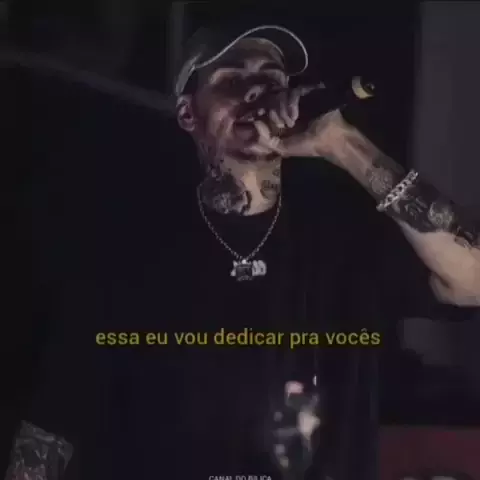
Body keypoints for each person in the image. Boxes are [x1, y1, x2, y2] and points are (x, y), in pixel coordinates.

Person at [6, 23, 480, 480]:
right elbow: (51, 428)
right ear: (188, 113)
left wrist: (344, 145)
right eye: (232, 80)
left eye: (271, 81)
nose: (257, 92)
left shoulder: (346, 241)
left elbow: (472, 280)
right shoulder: (128, 255)